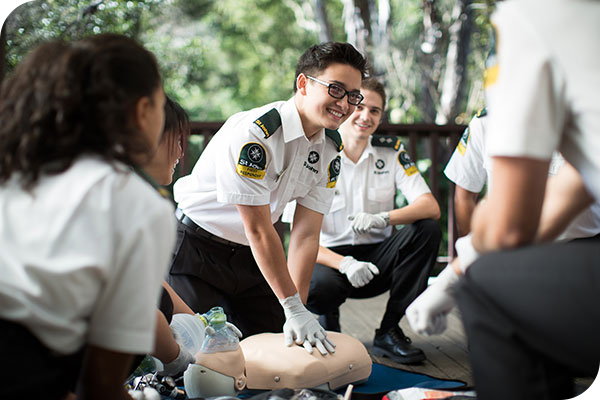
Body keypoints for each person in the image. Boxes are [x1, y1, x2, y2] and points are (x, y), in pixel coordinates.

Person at [412, 1, 600, 398]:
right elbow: (576, 184)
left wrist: (459, 274)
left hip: (580, 249)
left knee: (488, 283)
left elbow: (509, 226)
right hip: (567, 257)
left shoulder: (533, 15)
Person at [0, 33, 176, 400]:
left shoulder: (16, 165)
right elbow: (101, 386)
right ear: (142, 111)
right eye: (161, 104)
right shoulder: (134, 202)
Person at [167, 42, 368, 355]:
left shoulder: (330, 148)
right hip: (196, 251)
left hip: (251, 258)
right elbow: (259, 228)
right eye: (336, 89)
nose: (345, 104)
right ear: (303, 83)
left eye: (354, 95)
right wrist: (291, 305)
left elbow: (305, 234)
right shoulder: (257, 133)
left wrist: (296, 310)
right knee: (206, 355)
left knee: (282, 348)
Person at [284, 78, 441, 364]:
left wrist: (384, 218)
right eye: (360, 106)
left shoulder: (391, 151)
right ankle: (327, 323)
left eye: (375, 111)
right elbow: (298, 240)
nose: (366, 116)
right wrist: (344, 263)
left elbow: (430, 206)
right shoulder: (314, 151)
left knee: (427, 230)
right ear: (346, 107)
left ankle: (389, 330)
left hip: (378, 259)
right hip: (330, 261)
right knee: (319, 284)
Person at [444, 108, 600, 240]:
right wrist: (475, 255)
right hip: (508, 247)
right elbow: (464, 196)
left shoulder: (584, 119)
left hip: (581, 243)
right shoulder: (486, 122)